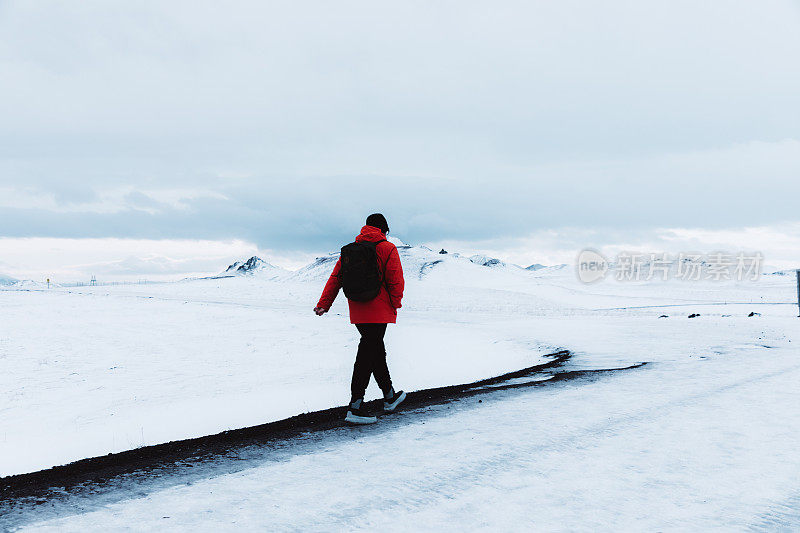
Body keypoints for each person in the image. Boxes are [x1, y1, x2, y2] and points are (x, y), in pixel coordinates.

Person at [314, 213, 406, 424]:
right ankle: (355, 406)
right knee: (367, 355)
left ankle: (389, 395)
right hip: (380, 310)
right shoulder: (387, 248)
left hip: (358, 310)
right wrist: (395, 304)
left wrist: (324, 304)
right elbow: (396, 281)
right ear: (384, 229)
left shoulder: (351, 250)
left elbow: (335, 278)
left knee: (374, 350)